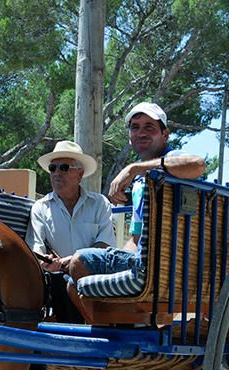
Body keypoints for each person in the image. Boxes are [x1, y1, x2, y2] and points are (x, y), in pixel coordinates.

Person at [67, 101, 206, 283]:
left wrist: (133, 168)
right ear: (130, 136)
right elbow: (135, 239)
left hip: (168, 263)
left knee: (80, 262)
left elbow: (197, 165)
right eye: (135, 127)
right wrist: (115, 256)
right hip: (143, 262)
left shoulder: (171, 159)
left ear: (165, 134)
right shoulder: (141, 182)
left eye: (149, 127)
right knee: (72, 282)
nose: (141, 133)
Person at [26, 140, 115, 273]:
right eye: (52, 168)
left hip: (93, 280)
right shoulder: (40, 208)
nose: (57, 173)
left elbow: (104, 245)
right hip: (55, 281)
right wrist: (43, 261)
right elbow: (35, 247)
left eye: (64, 167)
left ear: (80, 174)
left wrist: (75, 260)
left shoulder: (100, 204)